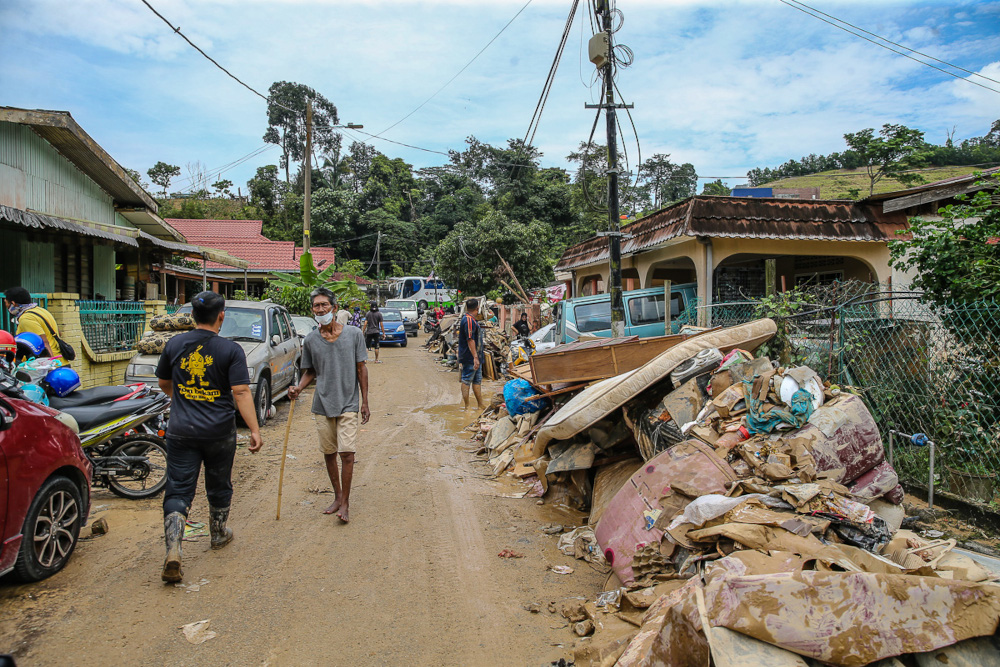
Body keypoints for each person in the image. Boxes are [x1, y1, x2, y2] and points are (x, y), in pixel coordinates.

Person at [155, 291, 263, 583]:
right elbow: (240, 392)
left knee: (178, 489)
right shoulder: (231, 350)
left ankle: (174, 548)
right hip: (218, 431)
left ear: (192, 316)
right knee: (218, 483)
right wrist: (254, 429)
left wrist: (186, 399)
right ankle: (217, 534)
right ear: (221, 316)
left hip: (181, 430)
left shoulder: (174, 343)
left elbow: (164, 382)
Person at [288, 288, 369, 523]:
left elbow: (361, 369)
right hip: (322, 403)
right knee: (329, 452)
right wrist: (298, 388)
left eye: (324, 305)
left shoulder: (353, 334)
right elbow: (310, 370)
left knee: (347, 453)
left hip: (348, 402)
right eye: (316, 306)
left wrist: (365, 402)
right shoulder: (311, 340)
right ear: (312, 310)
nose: (321, 309)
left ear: (334, 307)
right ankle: (337, 496)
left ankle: (345, 502)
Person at [4, 286, 61, 357]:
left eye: (6, 302)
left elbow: (44, 343)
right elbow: (59, 332)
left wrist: (49, 365)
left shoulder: (26, 318)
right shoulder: (41, 311)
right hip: (60, 359)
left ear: (13, 303)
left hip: (50, 363)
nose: (6, 305)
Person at [458, 298, 484, 410]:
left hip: (475, 356)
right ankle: (467, 406)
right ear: (477, 308)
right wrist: (475, 357)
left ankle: (480, 405)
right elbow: (470, 339)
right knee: (467, 380)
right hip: (470, 357)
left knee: (477, 380)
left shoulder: (471, 320)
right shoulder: (468, 320)